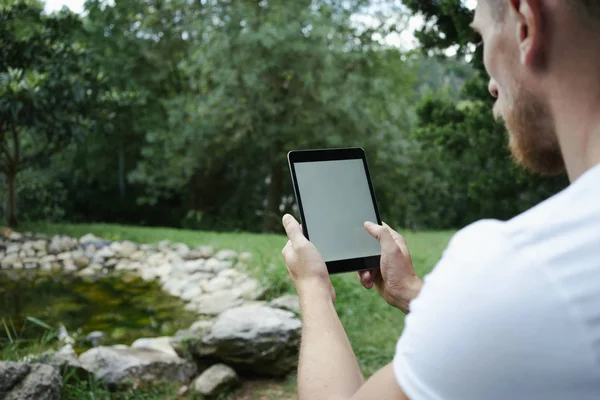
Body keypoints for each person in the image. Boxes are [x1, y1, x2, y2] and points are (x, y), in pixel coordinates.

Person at [280, 0, 600, 399]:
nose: (490, 85)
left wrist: (313, 285)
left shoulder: (523, 266)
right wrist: (411, 290)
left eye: (482, 36)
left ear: (525, 24)